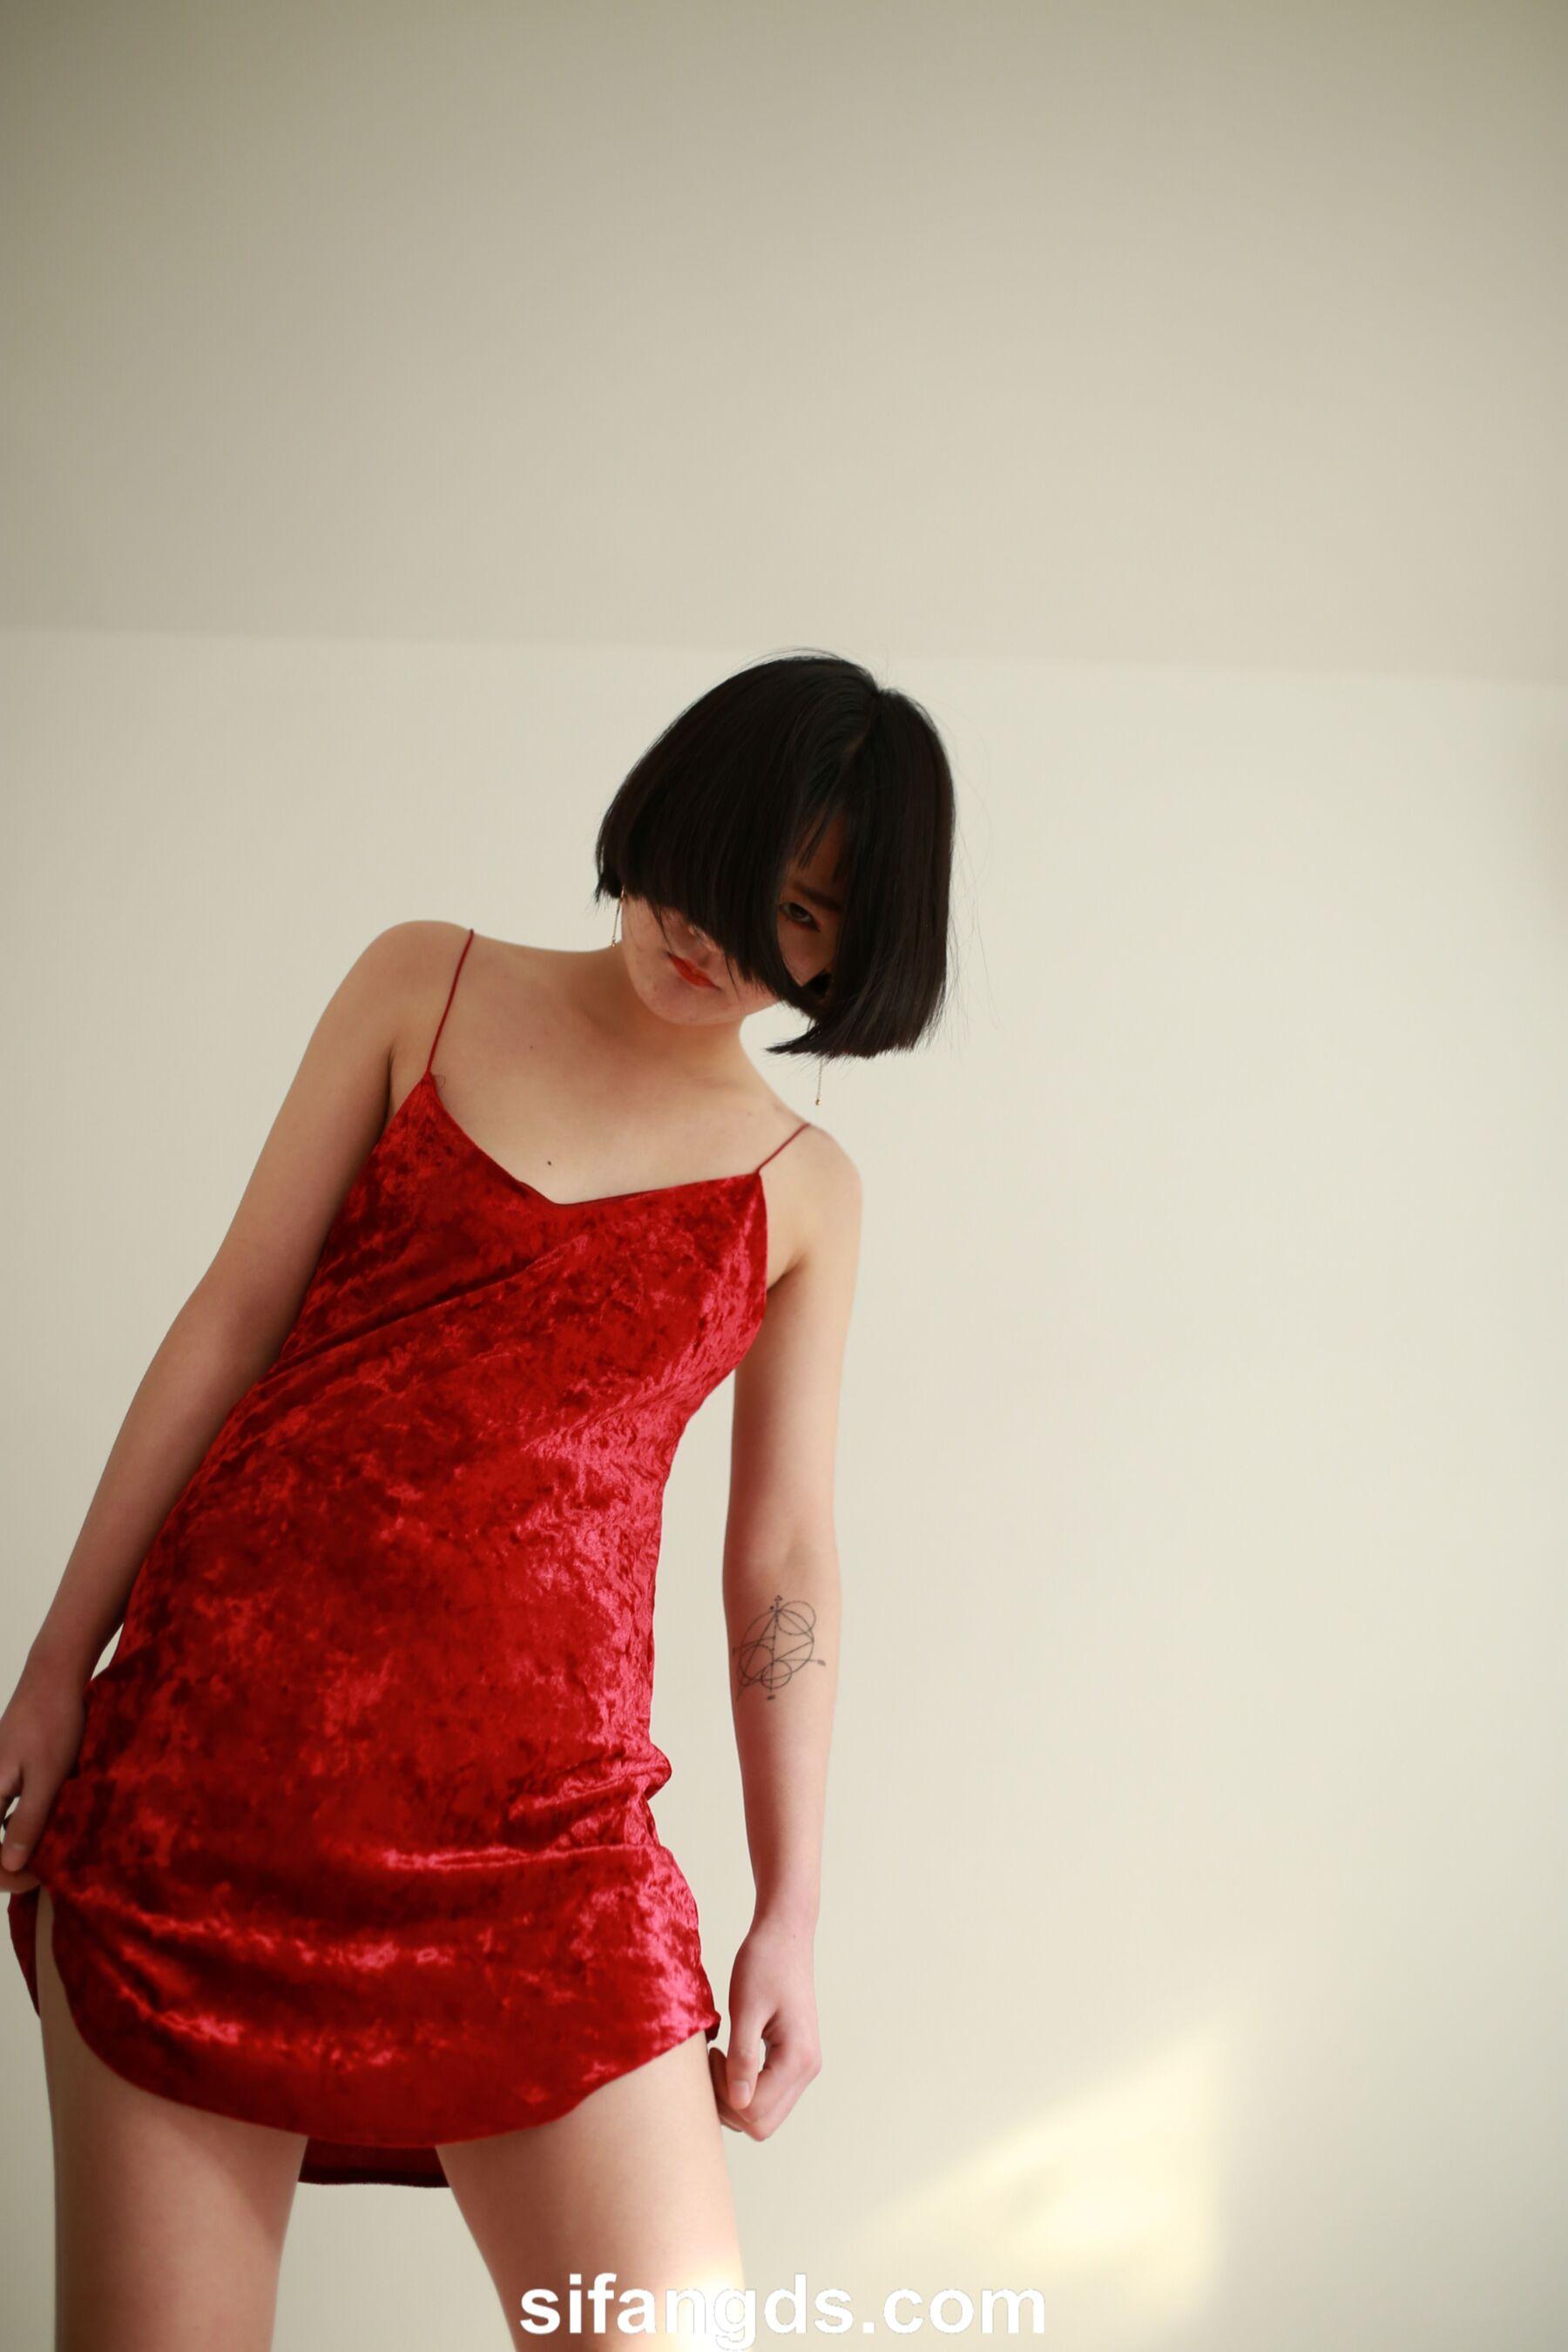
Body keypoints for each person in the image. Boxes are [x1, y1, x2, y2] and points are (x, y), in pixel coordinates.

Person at [1, 650, 956, 2347]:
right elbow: (231, 1321)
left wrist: (790, 1910)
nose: (724, 933)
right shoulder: (422, 982)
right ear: (663, 806)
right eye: (722, 862)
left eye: (800, 917)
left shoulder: (804, 1192)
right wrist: (57, 1669)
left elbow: (783, 1558)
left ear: (849, 956)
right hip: (203, 1790)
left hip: (545, 1853)